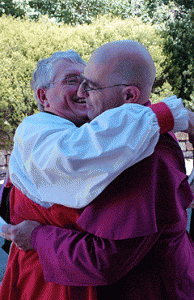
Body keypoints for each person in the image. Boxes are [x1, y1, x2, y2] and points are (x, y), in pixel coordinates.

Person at [1, 43, 194, 300]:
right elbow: (72, 155)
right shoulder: (40, 136)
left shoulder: (143, 154)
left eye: (89, 84)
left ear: (128, 97)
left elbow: (104, 259)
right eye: (73, 81)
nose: (82, 91)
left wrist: (36, 236)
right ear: (43, 96)